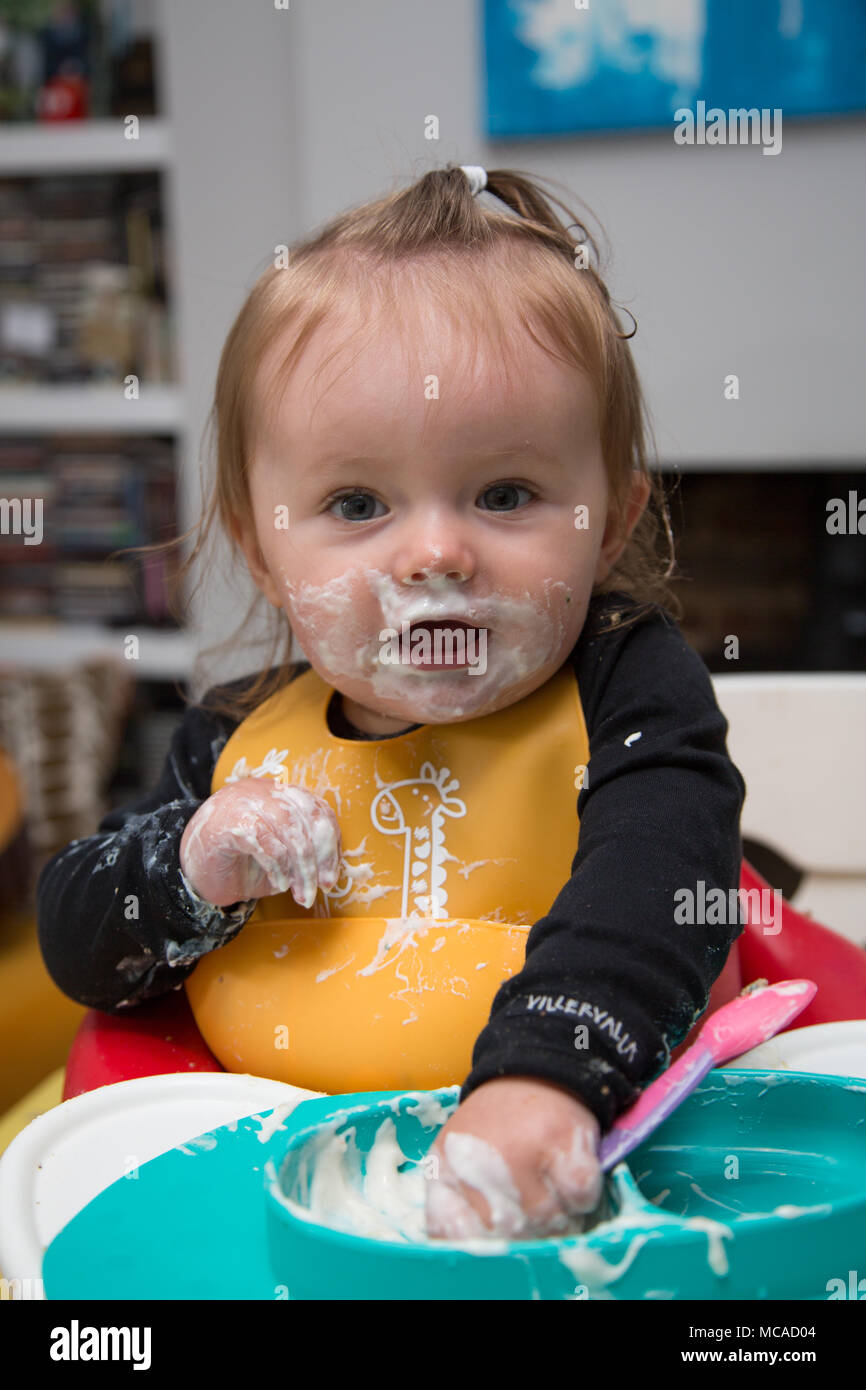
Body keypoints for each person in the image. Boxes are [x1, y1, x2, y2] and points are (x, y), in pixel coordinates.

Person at [37, 165, 745, 1243]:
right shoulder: (236, 733)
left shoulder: (626, 683)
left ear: (606, 524)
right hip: (262, 1161)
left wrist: (550, 1078)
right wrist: (192, 864)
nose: (433, 554)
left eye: (503, 494)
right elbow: (77, 937)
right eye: (356, 502)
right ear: (263, 549)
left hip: (577, 1141)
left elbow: (658, 876)